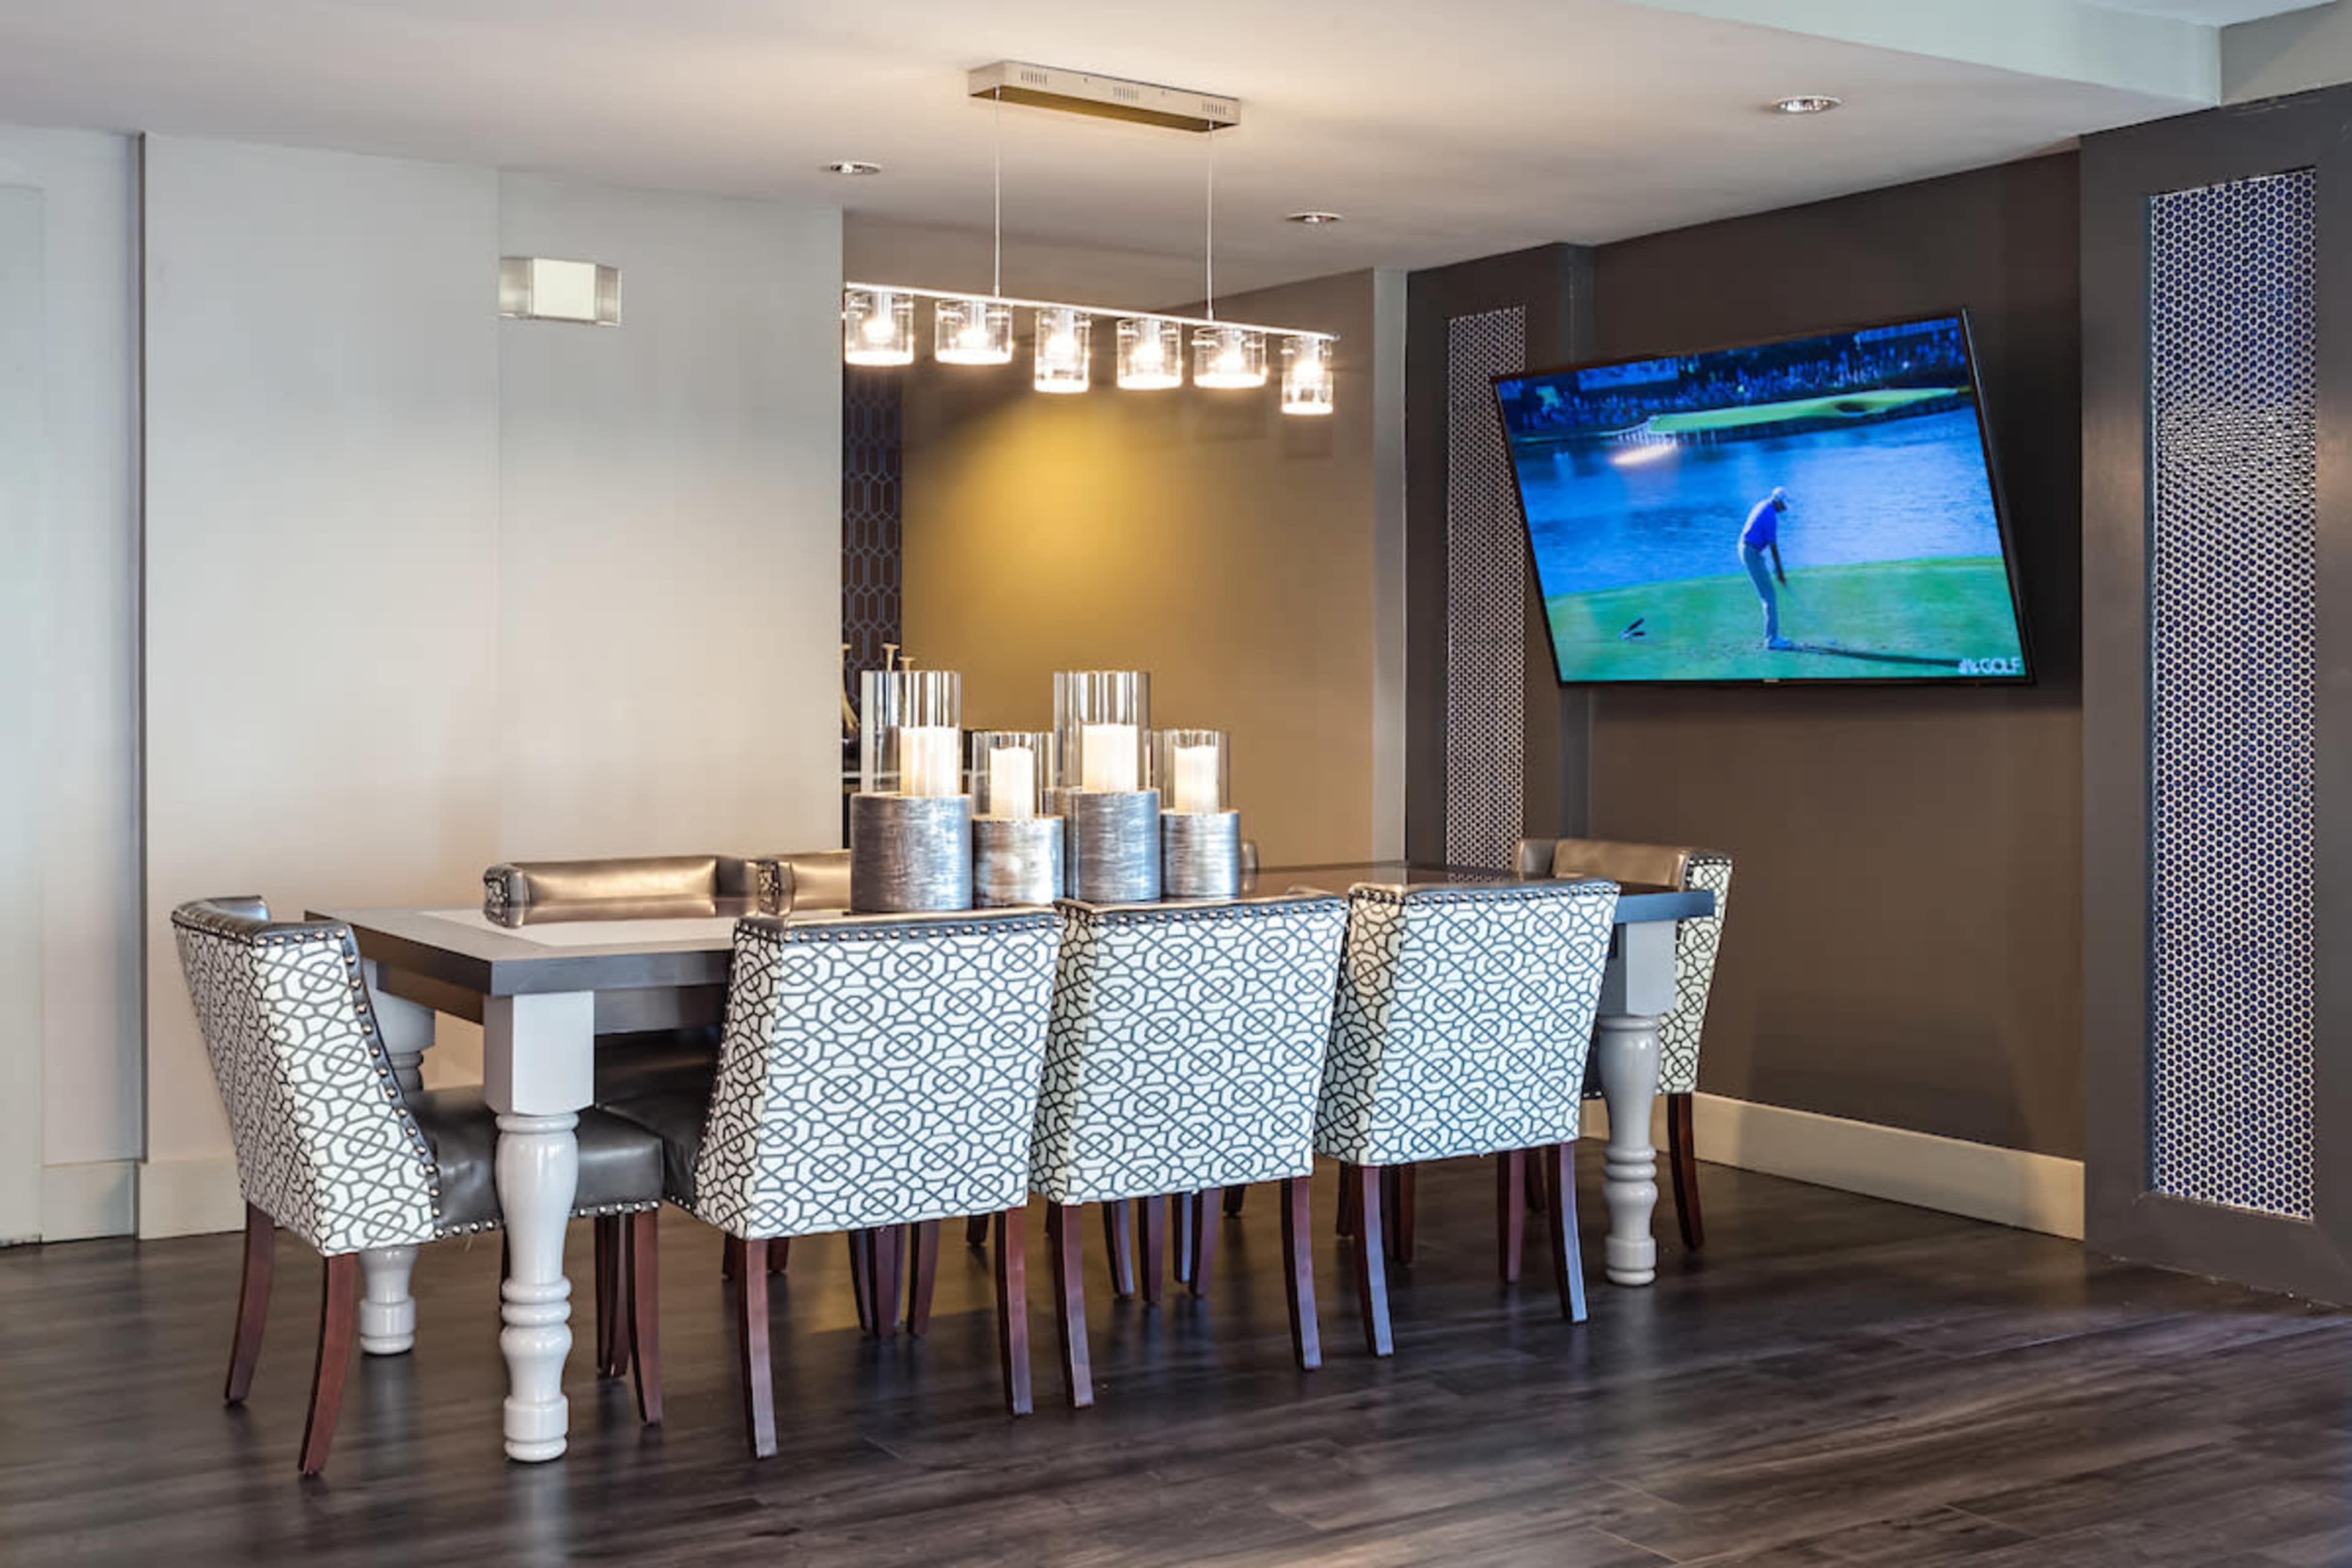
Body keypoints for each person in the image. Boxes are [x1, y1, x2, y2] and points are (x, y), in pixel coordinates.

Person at [1739, 487, 1795, 650]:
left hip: (1751, 550)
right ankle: (1772, 640)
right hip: (1751, 551)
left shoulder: (1764, 504)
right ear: (1779, 503)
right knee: (1768, 595)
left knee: (1768, 594)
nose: (1785, 509)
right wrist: (1780, 572)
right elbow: (1773, 547)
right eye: (1784, 505)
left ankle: (1773, 636)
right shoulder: (1770, 515)